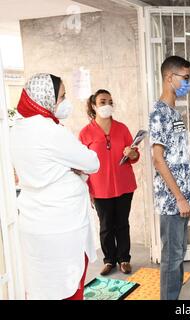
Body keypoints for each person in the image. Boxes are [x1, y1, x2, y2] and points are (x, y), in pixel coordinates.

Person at [10, 73, 100, 300]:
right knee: (69, 288)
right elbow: (92, 162)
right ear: (45, 98)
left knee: (42, 287)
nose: (65, 102)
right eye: (61, 97)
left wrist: (70, 166)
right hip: (62, 226)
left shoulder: (16, 129)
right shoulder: (50, 130)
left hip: (33, 222)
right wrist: (74, 167)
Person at [150, 56, 190, 300]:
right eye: (186, 78)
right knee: (171, 258)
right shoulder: (159, 112)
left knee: (179, 255)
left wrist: (186, 196)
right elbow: (158, 159)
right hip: (172, 202)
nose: (188, 83)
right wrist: (179, 198)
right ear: (170, 77)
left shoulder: (173, 112)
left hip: (182, 198)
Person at [79, 89, 140, 276]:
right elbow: (81, 163)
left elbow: (135, 155)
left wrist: (132, 153)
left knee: (122, 223)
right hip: (99, 188)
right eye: (103, 101)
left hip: (124, 185)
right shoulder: (85, 133)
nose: (107, 105)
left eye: (110, 101)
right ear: (93, 105)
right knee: (106, 226)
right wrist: (87, 190)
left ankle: (124, 259)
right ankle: (109, 260)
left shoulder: (122, 129)